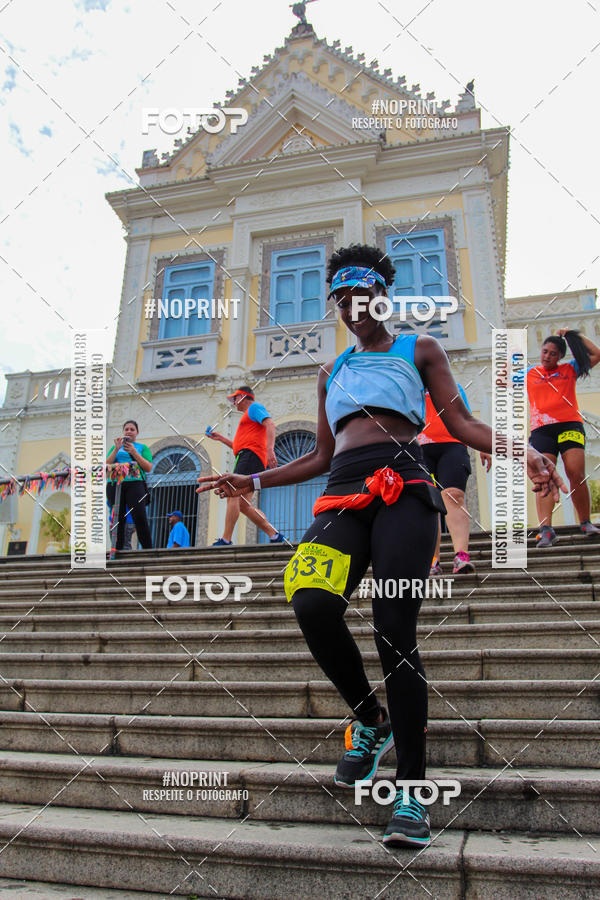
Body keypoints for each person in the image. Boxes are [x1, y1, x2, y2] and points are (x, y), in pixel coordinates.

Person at [197, 244, 565, 847]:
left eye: (359, 295)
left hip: (406, 489)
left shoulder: (418, 349)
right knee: (311, 599)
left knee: (395, 632)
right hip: (341, 491)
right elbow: (318, 455)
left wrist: (523, 449)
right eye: (339, 298)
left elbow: (465, 425)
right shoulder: (330, 372)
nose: (349, 307)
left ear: (382, 295)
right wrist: (252, 478)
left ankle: (413, 795)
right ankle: (371, 719)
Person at [527, 329, 600, 547]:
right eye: (545, 351)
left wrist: (571, 334)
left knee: (575, 472)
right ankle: (546, 529)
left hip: (569, 425)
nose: (547, 356)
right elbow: (502, 380)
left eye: (553, 353)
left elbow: (596, 354)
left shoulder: (569, 369)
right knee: (544, 477)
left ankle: (585, 521)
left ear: (560, 356)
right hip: (541, 430)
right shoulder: (530, 373)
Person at [418, 385, 491, 575]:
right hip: (420, 448)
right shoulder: (411, 385)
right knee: (429, 503)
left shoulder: (453, 386)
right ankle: (433, 561)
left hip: (452, 446)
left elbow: (467, 418)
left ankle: (461, 556)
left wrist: (482, 443)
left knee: (454, 495)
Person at [206, 386, 285, 545]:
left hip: (251, 456)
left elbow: (270, 424)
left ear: (243, 396)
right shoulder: (247, 419)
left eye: (235, 399)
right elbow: (239, 446)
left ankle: (226, 539)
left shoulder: (254, 408)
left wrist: (270, 450)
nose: (234, 403)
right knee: (243, 504)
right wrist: (221, 438)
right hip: (248, 456)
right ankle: (274, 535)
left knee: (232, 494)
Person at [106, 420, 153, 551]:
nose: (129, 431)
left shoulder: (142, 448)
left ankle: (148, 549)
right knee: (117, 517)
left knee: (140, 515)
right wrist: (116, 449)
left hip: (135, 483)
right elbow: (106, 465)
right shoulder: (115, 447)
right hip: (115, 484)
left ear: (137, 432)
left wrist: (133, 452)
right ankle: (117, 549)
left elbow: (148, 467)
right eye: (126, 429)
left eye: (132, 429)